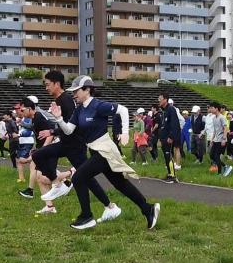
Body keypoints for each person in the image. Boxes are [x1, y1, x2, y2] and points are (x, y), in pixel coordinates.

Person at [51, 75, 160, 230]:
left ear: (87, 90)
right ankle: (148, 209)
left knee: (78, 178)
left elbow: (123, 110)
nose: (74, 94)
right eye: (73, 91)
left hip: (105, 150)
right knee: (120, 184)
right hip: (95, 150)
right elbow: (68, 130)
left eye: (76, 91)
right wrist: (59, 119)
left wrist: (125, 133)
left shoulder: (98, 105)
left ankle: (86, 216)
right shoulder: (79, 110)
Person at [33, 71, 120, 222]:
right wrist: (53, 130)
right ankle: (58, 184)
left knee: (86, 179)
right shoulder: (60, 100)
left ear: (57, 84)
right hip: (66, 143)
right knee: (38, 155)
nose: (46, 88)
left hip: (74, 145)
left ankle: (107, 208)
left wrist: (52, 131)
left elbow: (72, 125)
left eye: (47, 84)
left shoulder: (66, 100)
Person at [17, 98, 57, 211]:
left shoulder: (39, 117)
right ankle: (49, 206)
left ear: (30, 109)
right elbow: (38, 133)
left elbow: (50, 134)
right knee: (40, 178)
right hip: (44, 149)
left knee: (46, 178)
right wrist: (36, 148)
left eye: (23, 110)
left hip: (50, 149)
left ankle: (68, 177)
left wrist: (42, 150)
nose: (21, 112)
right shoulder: (34, 118)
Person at [158, 93, 180, 183]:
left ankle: (173, 177)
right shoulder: (163, 111)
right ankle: (169, 174)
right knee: (166, 157)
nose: (159, 100)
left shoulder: (171, 109)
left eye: (160, 98)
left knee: (169, 156)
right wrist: (160, 137)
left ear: (165, 99)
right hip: (163, 137)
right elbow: (163, 125)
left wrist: (171, 136)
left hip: (168, 138)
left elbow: (174, 124)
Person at [208, 101, 232, 176]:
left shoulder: (222, 117)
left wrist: (224, 139)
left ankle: (219, 173)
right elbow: (215, 130)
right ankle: (225, 166)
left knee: (216, 156)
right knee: (212, 155)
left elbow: (225, 128)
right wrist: (212, 139)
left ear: (216, 108)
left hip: (221, 140)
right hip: (215, 140)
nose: (211, 110)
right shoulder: (214, 118)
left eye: (212, 108)